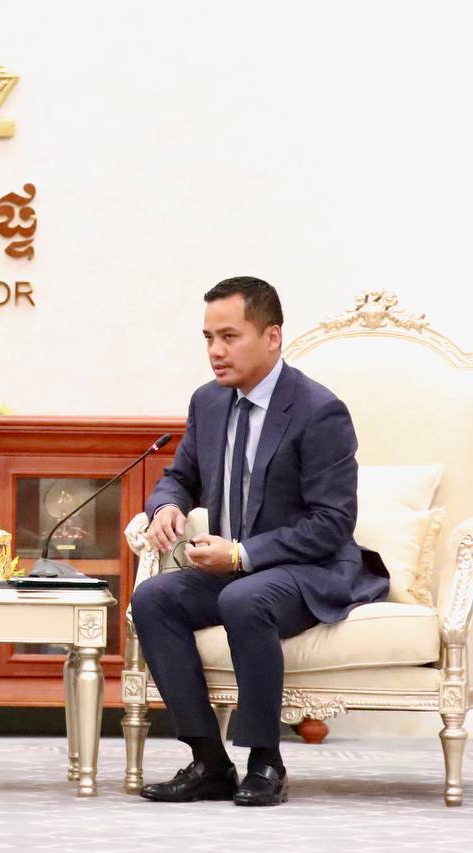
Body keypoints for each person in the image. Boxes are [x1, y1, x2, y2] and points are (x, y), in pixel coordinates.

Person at [132, 277, 388, 806]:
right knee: (153, 597)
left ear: (272, 337)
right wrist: (167, 506)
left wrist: (241, 554)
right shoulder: (208, 402)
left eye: (230, 336)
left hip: (310, 568)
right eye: (209, 338)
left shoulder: (318, 410)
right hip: (235, 570)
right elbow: (179, 476)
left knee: (243, 597)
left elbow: (332, 523)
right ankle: (208, 761)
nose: (216, 351)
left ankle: (266, 761)